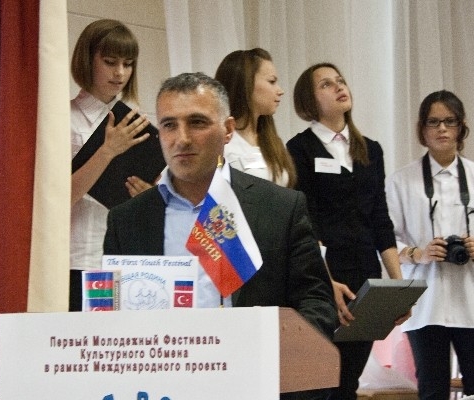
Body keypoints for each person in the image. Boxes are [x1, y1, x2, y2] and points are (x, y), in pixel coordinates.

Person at [103, 71, 336, 349]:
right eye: (169, 125)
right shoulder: (126, 220)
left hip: (253, 368)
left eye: (197, 123)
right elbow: (112, 318)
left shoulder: (280, 208)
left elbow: (317, 302)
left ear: (228, 130)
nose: (182, 138)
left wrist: (270, 350)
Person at [287, 62, 404, 400]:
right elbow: (305, 224)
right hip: (323, 278)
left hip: (366, 276)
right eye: (326, 84)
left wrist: (398, 286)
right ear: (309, 100)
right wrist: (326, 282)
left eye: (340, 81)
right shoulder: (299, 149)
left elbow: (381, 220)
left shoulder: (371, 149)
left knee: (349, 382)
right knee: (323, 382)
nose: (339, 87)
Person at [385, 90, 474, 400]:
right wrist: (418, 253)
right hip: (425, 304)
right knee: (432, 390)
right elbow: (385, 242)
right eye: (433, 122)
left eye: (450, 121)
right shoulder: (400, 181)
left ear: (461, 127)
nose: (442, 129)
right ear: (422, 129)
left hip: (470, 299)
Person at [69, 19, 153, 311]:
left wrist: (146, 193)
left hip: (125, 259)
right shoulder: (67, 119)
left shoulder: (134, 120)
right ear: (87, 60)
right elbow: (57, 199)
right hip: (79, 257)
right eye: (110, 62)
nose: (120, 73)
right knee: (82, 337)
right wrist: (107, 151)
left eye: (128, 64)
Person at [215, 48, 297, 187]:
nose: (280, 91)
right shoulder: (219, 143)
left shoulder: (272, 140)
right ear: (245, 84)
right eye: (271, 81)